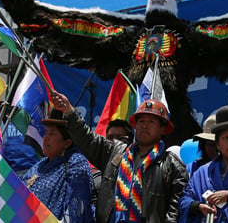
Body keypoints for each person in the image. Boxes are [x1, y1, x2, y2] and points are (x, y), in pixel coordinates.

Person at [52, 91, 188, 223]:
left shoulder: (173, 166)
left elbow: (174, 212)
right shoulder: (114, 151)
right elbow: (87, 139)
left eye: (151, 122)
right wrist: (69, 111)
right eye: (141, 121)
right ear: (135, 126)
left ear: (163, 129)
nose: (145, 125)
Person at [0, 108, 95, 222]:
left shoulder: (76, 163)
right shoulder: (39, 166)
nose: (46, 138)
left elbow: (78, 212)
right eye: (46, 132)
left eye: (52, 134)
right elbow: (15, 195)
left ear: (67, 142)